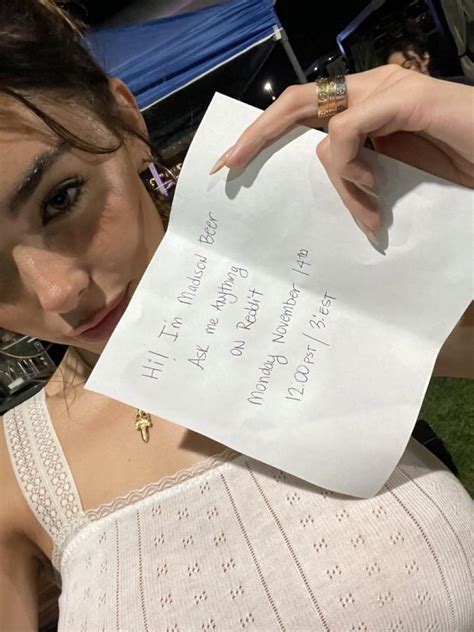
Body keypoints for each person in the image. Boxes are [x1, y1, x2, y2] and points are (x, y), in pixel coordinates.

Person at [0, 2, 472, 631]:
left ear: (126, 120)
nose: (58, 292)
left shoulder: (317, 287)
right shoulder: (14, 475)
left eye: (61, 199)